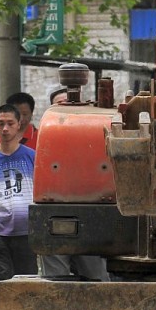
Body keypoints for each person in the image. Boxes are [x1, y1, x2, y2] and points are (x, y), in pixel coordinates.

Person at [39, 91, 110, 283]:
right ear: (52, 109)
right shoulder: (46, 136)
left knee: (96, 277)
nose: (67, 106)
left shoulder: (97, 132)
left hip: (93, 211)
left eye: (72, 102)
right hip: (53, 211)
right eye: (61, 103)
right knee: (56, 280)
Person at [0, 104, 37, 281]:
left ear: (19, 124)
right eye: (1, 123)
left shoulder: (32, 156)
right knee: (0, 283)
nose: (5, 128)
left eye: (10, 123)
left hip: (26, 232)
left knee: (27, 282)